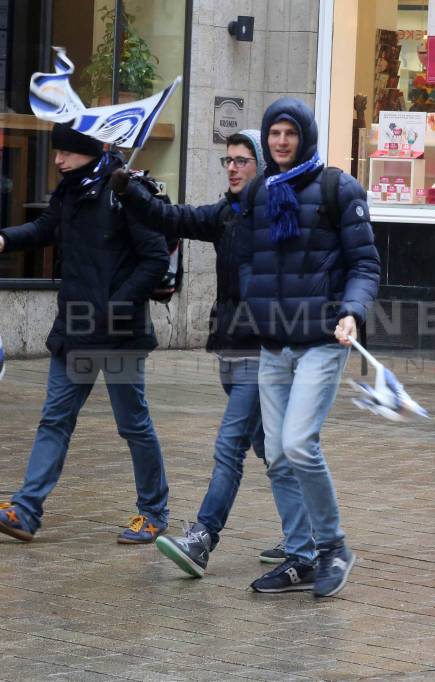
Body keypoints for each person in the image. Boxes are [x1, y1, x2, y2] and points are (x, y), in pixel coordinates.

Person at [0, 123, 171, 545]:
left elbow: (154, 259)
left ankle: (153, 512)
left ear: (89, 150)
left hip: (118, 330)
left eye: (66, 152)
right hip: (76, 326)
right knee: (55, 419)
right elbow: (45, 228)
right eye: (56, 152)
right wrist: (4, 240)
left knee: (132, 424)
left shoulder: (126, 191)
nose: (58, 160)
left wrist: (117, 306)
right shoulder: (70, 189)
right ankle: (25, 511)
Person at [111, 129, 285, 576]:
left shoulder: (277, 216)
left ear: (260, 166)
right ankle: (310, 536)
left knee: (231, 445)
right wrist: (130, 190)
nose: (232, 167)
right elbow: (174, 218)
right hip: (229, 345)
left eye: (242, 160)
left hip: (261, 347)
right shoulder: (226, 214)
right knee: (270, 446)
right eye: (228, 160)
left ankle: (203, 537)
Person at [238, 98, 380, 597]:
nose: (280, 142)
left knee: (299, 443)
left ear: (305, 137)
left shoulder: (338, 188)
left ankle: (334, 546)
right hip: (275, 343)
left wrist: (352, 312)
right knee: (276, 455)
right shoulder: (259, 192)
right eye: (273, 133)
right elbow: (242, 251)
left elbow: (365, 264)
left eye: (289, 133)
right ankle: (299, 558)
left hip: (323, 338)